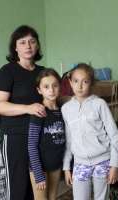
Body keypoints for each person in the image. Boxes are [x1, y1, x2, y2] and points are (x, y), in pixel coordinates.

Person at [0, 25, 46, 200]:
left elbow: (55, 99)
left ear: (37, 45)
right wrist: (28, 108)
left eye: (32, 41)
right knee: (18, 187)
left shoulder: (43, 73)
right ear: (15, 47)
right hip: (15, 136)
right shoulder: (7, 71)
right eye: (22, 42)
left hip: (40, 137)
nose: (28, 46)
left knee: (37, 187)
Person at [61, 63, 118, 200]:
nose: (80, 86)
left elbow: (114, 135)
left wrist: (114, 165)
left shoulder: (99, 104)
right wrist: (66, 167)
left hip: (102, 161)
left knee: (101, 198)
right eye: (76, 81)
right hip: (80, 163)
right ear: (70, 82)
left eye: (85, 81)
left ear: (91, 83)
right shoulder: (66, 109)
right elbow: (69, 140)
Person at [28, 68, 66, 200]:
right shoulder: (39, 112)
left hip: (55, 165)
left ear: (60, 87)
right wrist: (38, 175)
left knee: (52, 197)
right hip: (39, 168)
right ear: (39, 90)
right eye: (46, 86)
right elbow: (31, 145)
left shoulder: (63, 111)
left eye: (55, 85)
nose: (51, 90)